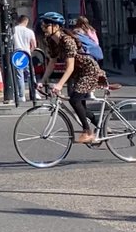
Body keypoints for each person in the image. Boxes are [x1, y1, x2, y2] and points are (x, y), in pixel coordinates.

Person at [37, 12, 105, 144]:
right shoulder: (51, 41)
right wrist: (42, 80)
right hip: (78, 73)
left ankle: (88, 132)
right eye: (43, 25)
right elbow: (52, 62)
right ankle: (102, 125)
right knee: (80, 107)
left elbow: (70, 67)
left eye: (46, 25)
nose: (43, 27)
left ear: (56, 26)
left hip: (89, 71)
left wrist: (59, 85)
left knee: (74, 100)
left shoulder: (68, 41)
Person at [10, 15, 37, 104]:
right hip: (26, 54)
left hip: (17, 54)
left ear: (18, 21)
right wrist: (30, 51)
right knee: (31, 75)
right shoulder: (29, 31)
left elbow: (10, 43)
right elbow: (34, 45)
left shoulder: (13, 30)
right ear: (26, 21)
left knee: (19, 76)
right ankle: (34, 93)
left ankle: (21, 96)